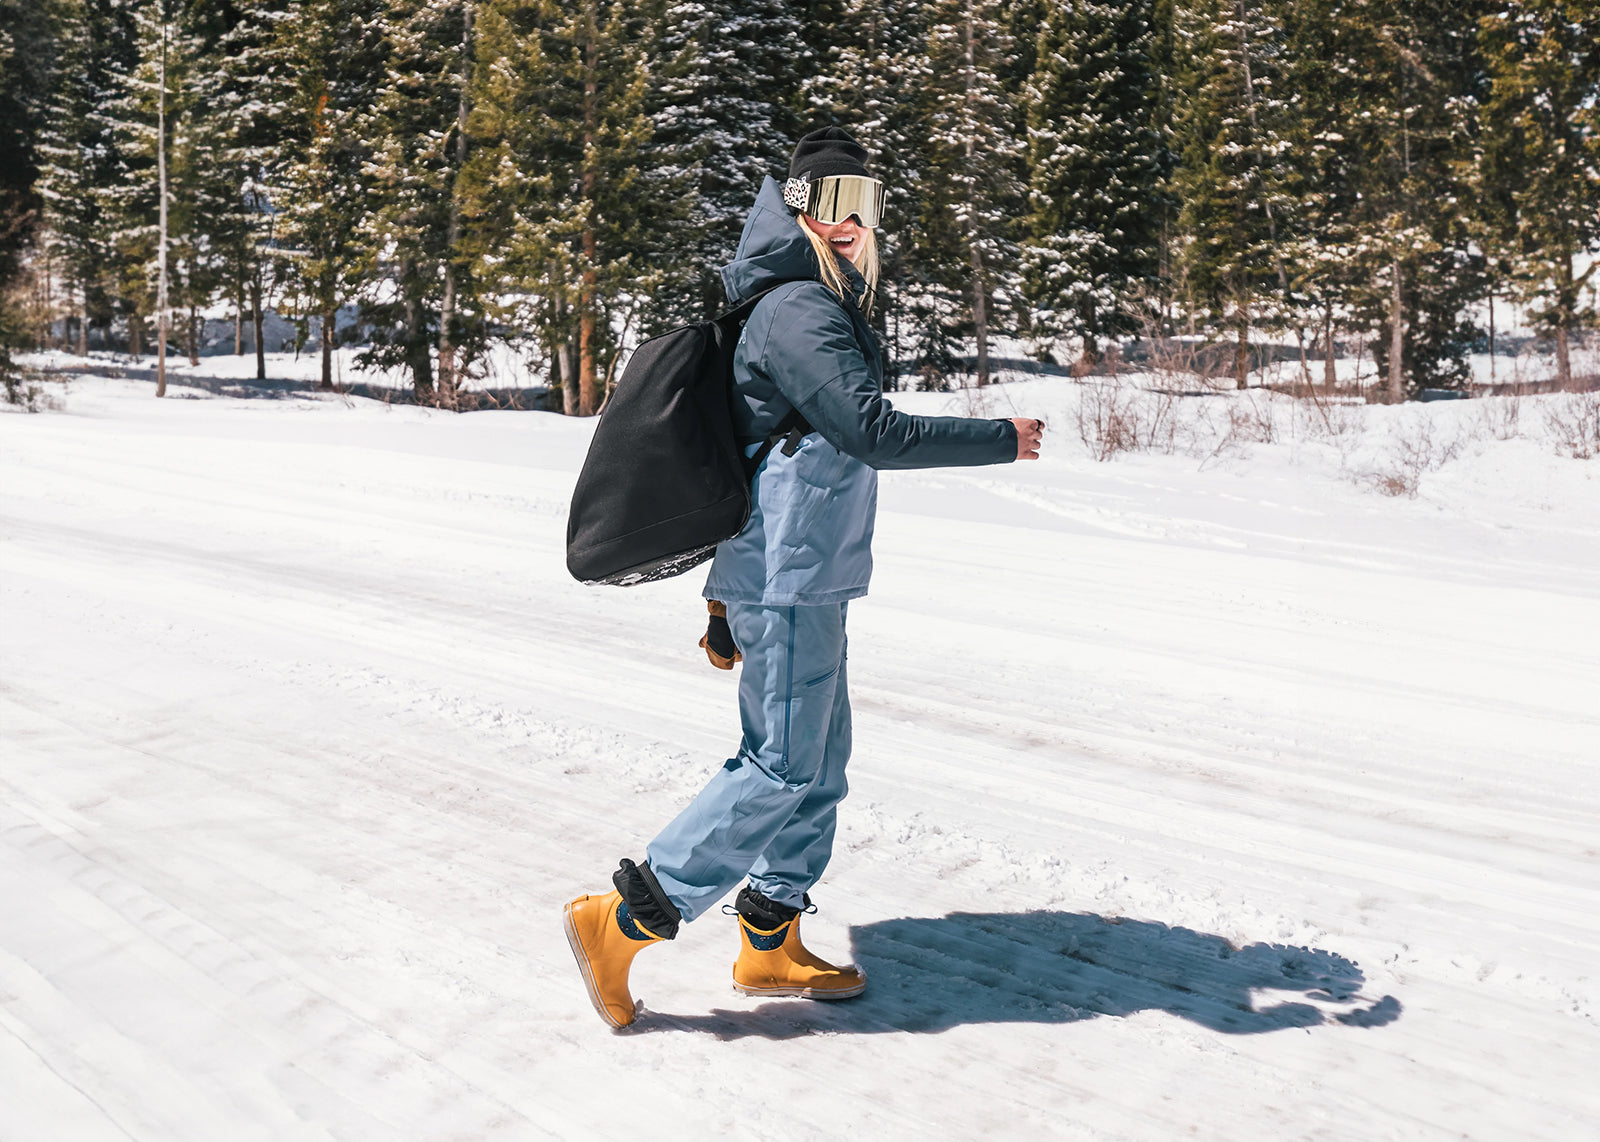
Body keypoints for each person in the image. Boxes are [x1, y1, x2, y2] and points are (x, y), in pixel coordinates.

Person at [564, 127, 1044, 1028]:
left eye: (866, 204)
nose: (854, 223)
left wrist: (721, 589)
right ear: (800, 211)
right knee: (780, 764)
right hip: (786, 574)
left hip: (807, 571)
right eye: (835, 204)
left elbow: (761, 452)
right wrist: (998, 437)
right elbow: (872, 432)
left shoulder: (815, 303)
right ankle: (623, 919)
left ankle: (769, 939)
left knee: (816, 766)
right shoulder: (798, 310)